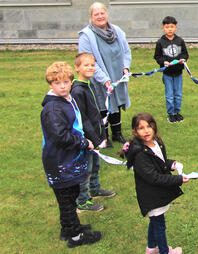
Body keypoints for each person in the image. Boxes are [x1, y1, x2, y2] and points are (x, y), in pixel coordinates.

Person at [41, 62, 102, 248]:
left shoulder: (66, 99)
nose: (63, 86)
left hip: (70, 159)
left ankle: (68, 228)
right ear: (50, 84)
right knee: (67, 200)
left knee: (71, 195)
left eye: (66, 82)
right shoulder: (53, 109)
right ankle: (75, 238)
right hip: (60, 162)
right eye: (57, 83)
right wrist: (84, 142)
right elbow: (60, 137)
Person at [120, 113, 187, 254]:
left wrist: (171, 164)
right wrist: (178, 179)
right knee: (159, 225)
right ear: (135, 131)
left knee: (155, 221)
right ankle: (164, 251)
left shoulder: (157, 142)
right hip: (151, 195)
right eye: (141, 128)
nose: (146, 131)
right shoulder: (140, 154)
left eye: (149, 126)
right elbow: (154, 177)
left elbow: (160, 162)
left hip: (158, 193)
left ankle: (151, 248)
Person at [78, 2, 132, 147]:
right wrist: (104, 79)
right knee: (103, 106)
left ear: (107, 14)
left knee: (116, 103)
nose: (100, 16)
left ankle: (117, 134)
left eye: (102, 13)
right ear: (91, 16)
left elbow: (126, 52)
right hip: (99, 78)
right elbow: (88, 61)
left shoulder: (117, 31)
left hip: (117, 75)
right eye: (96, 14)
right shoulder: (86, 36)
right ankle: (104, 137)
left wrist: (125, 68)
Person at [71, 53, 116, 213]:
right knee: (86, 169)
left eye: (92, 65)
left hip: (95, 136)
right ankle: (82, 201)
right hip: (86, 138)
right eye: (86, 65)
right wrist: (94, 139)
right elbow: (83, 119)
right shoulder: (77, 90)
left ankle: (95, 189)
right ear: (77, 68)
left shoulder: (87, 85)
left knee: (95, 165)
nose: (90, 67)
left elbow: (94, 113)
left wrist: (102, 134)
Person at [154, 16, 189, 123]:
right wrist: (163, 62)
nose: (170, 29)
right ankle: (171, 113)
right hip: (167, 73)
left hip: (178, 72)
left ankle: (177, 112)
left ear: (176, 28)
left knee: (178, 94)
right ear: (163, 28)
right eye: (167, 27)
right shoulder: (160, 42)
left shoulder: (180, 41)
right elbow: (157, 56)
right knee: (169, 95)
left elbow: (185, 53)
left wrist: (183, 58)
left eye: (172, 27)